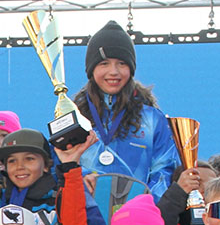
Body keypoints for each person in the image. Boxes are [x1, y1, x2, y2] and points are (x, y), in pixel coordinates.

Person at [73, 20, 179, 200]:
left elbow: (164, 169)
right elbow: (60, 164)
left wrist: (148, 205)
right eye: (104, 63)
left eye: (121, 63)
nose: (113, 72)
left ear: (131, 68)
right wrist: (81, 178)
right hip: (86, 211)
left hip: (137, 213)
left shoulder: (152, 119)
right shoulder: (75, 117)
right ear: (91, 69)